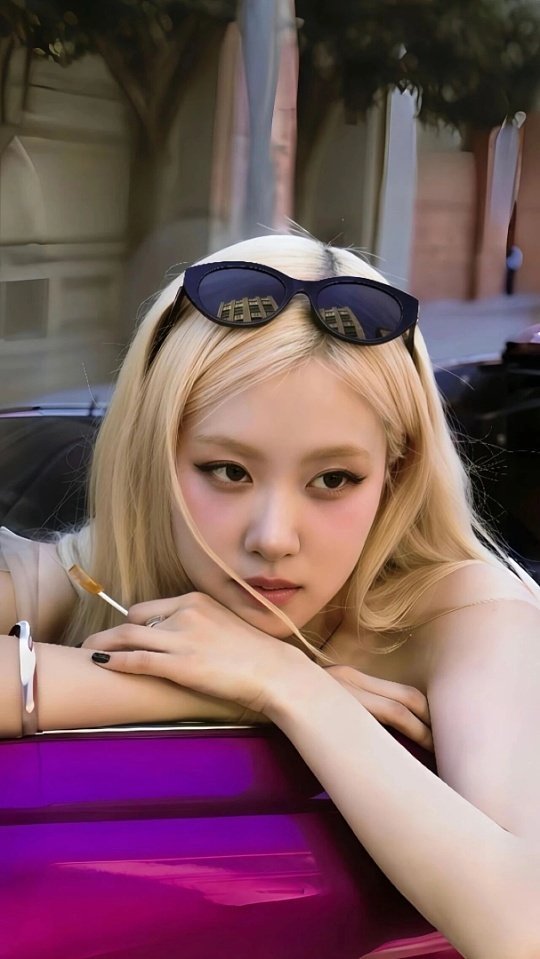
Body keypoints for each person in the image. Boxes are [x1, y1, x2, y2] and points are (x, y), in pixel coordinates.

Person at [1, 233, 540, 957]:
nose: (274, 537)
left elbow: (524, 927)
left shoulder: (465, 612)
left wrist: (289, 685)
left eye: (333, 479)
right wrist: (214, 689)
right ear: (155, 458)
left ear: (397, 472)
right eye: (228, 471)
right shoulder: (100, 565)